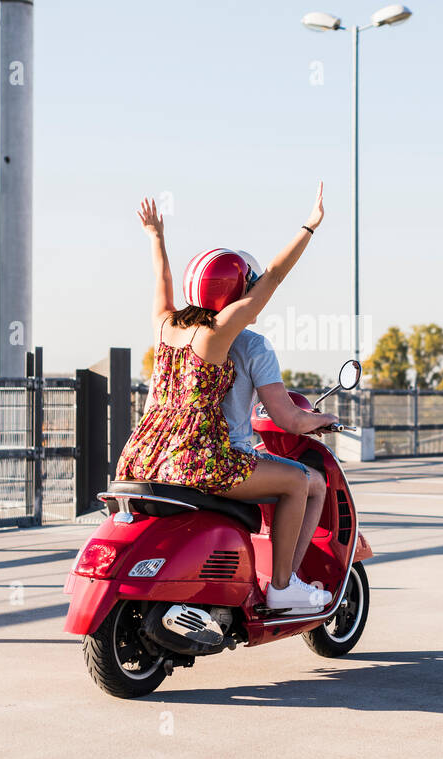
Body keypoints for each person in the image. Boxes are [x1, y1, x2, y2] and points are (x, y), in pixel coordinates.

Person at [115, 184, 333, 613]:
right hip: (199, 458)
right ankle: (283, 586)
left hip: (142, 455)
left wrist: (155, 236)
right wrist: (310, 226)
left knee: (292, 480)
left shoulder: (164, 325)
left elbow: (160, 281)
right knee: (297, 482)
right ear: (235, 295)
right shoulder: (217, 335)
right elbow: (272, 276)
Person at [220, 250, 337, 587]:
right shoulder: (253, 346)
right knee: (309, 482)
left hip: (164, 457)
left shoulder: (179, 335)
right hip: (221, 460)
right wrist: (321, 418)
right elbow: (289, 419)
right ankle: (285, 584)